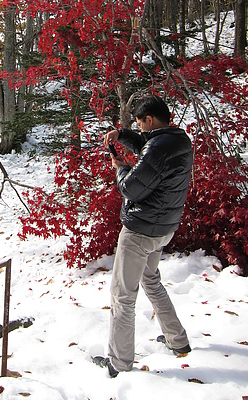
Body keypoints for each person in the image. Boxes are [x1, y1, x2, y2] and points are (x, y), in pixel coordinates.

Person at [93, 95, 193, 378]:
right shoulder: (178, 140)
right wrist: (123, 135)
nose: (140, 128)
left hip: (140, 232)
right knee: (151, 280)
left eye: (139, 124)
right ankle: (177, 339)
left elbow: (131, 189)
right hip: (164, 229)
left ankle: (119, 363)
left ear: (149, 120)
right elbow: (150, 150)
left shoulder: (158, 147)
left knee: (122, 296)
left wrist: (120, 168)